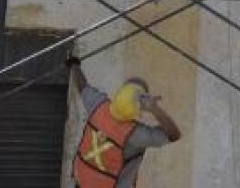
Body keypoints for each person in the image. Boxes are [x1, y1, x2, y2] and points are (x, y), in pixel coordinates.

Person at [67, 56, 181, 188]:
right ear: (137, 111)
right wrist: (155, 109)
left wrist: (73, 65)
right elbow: (173, 135)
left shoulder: (97, 105)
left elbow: (82, 86)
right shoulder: (136, 135)